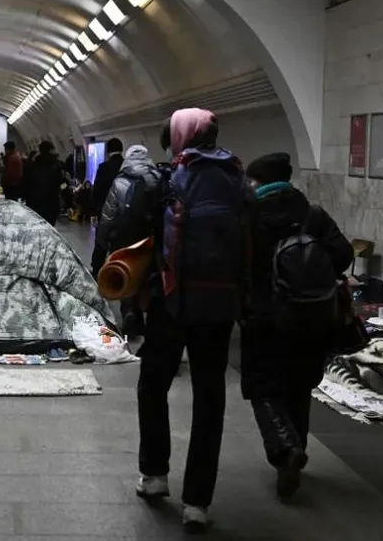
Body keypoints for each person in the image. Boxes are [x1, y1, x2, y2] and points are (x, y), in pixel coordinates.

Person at [135, 108, 250, 533]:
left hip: (172, 303)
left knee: (153, 386)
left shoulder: (168, 180)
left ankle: (155, 475)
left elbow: (144, 237)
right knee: (209, 399)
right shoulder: (238, 178)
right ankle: (197, 502)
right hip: (219, 309)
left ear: (180, 136)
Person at [241, 152, 353, 499]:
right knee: (298, 386)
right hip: (312, 317)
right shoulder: (312, 214)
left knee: (263, 387)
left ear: (257, 182)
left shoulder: (251, 215)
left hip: (265, 317)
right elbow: (344, 253)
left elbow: (237, 262)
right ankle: (296, 449)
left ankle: (286, 449)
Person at [93, 145, 161, 335]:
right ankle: (144, 311)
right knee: (146, 275)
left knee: (127, 272)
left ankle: (130, 310)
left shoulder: (120, 182)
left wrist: (101, 241)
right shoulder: (156, 179)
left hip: (124, 236)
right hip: (149, 236)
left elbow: (108, 216)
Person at [25, 141, 64, 226]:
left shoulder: (33, 166)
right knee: (50, 227)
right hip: (52, 203)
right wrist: (64, 192)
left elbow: (26, 183)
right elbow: (62, 184)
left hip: (35, 203)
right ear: (51, 150)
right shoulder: (56, 166)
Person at [90, 137, 124, 224]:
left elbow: (97, 189)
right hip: (123, 209)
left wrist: (93, 212)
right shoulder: (127, 166)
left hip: (105, 208)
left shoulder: (103, 167)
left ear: (108, 150)